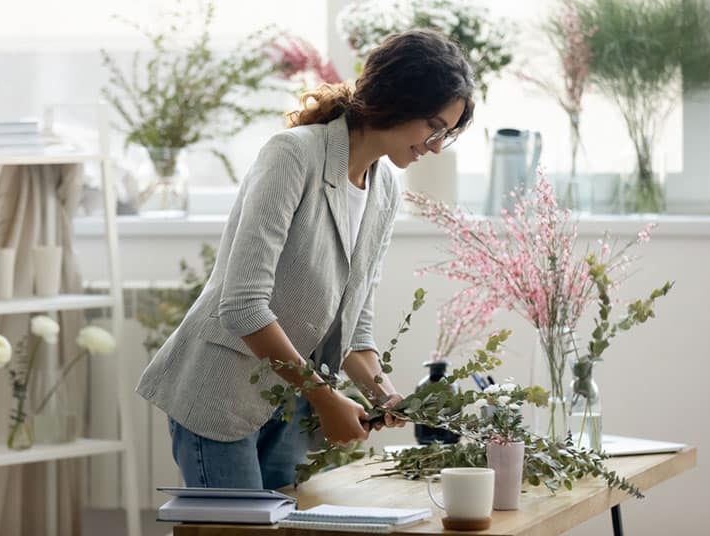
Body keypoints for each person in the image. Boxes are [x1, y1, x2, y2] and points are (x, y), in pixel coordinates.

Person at [136, 29, 476, 489]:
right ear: (398, 99)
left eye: (447, 135)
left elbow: (355, 326)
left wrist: (386, 396)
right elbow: (243, 305)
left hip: (293, 408)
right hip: (221, 396)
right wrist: (326, 398)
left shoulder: (385, 189)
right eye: (434, 126)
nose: (436, 145)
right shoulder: (293, 155)